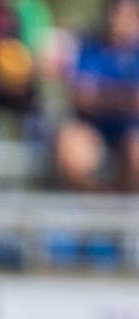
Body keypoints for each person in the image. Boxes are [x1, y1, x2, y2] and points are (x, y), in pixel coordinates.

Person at [55, 0, 139, 191]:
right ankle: (94, 203)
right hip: (92, 127)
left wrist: (102, 95)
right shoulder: (90, 46)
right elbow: (81, 95)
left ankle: (122, 209)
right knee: (74, 152)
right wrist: (124, 96)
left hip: (130, 129)